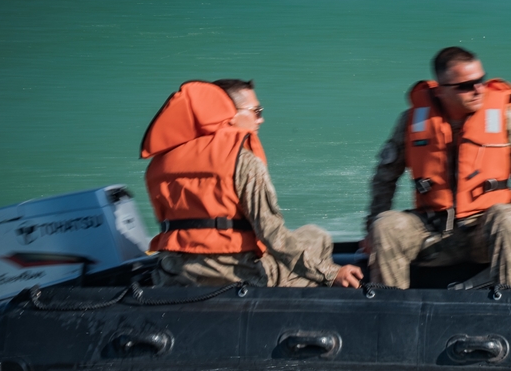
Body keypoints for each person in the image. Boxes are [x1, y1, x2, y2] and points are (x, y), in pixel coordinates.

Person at [366, 47, 511, 289]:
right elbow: (384, 178)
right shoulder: (412, 122)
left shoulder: (506, 119)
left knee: (508, 217)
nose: (478, 90)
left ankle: (510, 304)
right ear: (440, 91)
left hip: (482, 233)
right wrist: (370, 234)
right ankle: (390, 310)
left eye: (480, 81)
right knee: (385, 224)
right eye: (465, 85)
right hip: (431, 233)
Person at [141, 79, 363, 288]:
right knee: (318, 237)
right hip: (235, 274)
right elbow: (273, 235)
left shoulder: (159, 166)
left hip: (173, 274)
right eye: (256, 112)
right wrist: (331, 273)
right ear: (230, 115)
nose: (261, 119)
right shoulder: (242, 160)